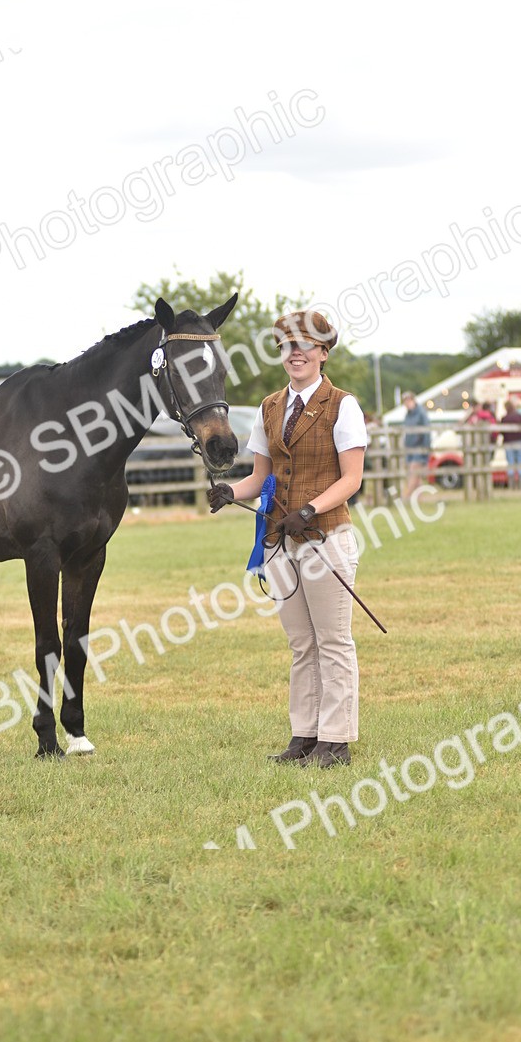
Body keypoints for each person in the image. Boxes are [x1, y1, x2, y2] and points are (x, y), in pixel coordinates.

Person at [207, 310, 367, 768]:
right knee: (301, 643)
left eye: (305, 344)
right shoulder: (269, 407)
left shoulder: (342, 405)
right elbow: (260, 477)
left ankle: (336, 742)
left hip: (325, 535)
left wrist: (310, 509)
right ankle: (305, 734)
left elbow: (352, 477)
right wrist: (227, 491)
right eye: (287, 345)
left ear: (322, 352)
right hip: (280, 541)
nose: (295, 352)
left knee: (333, 640)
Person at [401, 391, 431, 501]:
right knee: (417, 476)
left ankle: (406, 497)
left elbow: (426, 432)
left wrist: (426, 449)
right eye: (405, 401)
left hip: (419, 448)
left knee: (413, 472)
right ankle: (419, 499)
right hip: (410, 449)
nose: (407, 403)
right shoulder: (407, 415)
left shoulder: (421, 413)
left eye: (409, 400)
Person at [501, 398, 521, 489]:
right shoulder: (519, 416)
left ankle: (511, 486)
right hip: (520, 441)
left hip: (508, 442)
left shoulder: (504, 418)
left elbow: (502, 432)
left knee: (510, 462)